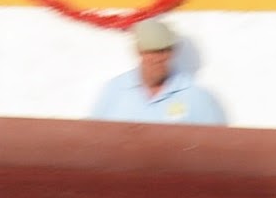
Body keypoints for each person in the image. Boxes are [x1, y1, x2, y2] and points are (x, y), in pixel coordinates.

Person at [89, 18, 227, 125]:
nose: (157, 59)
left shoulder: (196, 97)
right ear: (138, 52)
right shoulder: (115, 90)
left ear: (173, 52)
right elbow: (93, 138)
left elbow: (215, 146)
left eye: (163, 51)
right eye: (150, 51)